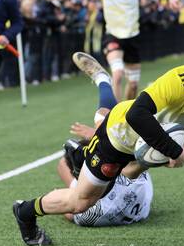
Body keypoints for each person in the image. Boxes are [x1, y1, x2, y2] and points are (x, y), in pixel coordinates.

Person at [13, 38, 184, 246]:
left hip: (152, 142)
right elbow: (136, 114)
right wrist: (174, 151)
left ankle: (98, 100)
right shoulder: (183, 78)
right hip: (122, 134)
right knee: (80, 202)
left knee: (130, 172)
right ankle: (26, 210)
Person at [57, 52, 153, 228]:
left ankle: (103, 79)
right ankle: (102, 80)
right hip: (138, 188)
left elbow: (69, 210)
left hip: (139, 202)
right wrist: (96, 134)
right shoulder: (130, 174)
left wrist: (71, 188)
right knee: (105, 119)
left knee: (64, 164)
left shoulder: (87, 213)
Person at [77, 0, 181, 101]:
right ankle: (115, 116)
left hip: (133, 36)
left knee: (133, 85)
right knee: (117, 75)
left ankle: (126, 114)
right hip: (113, 35)